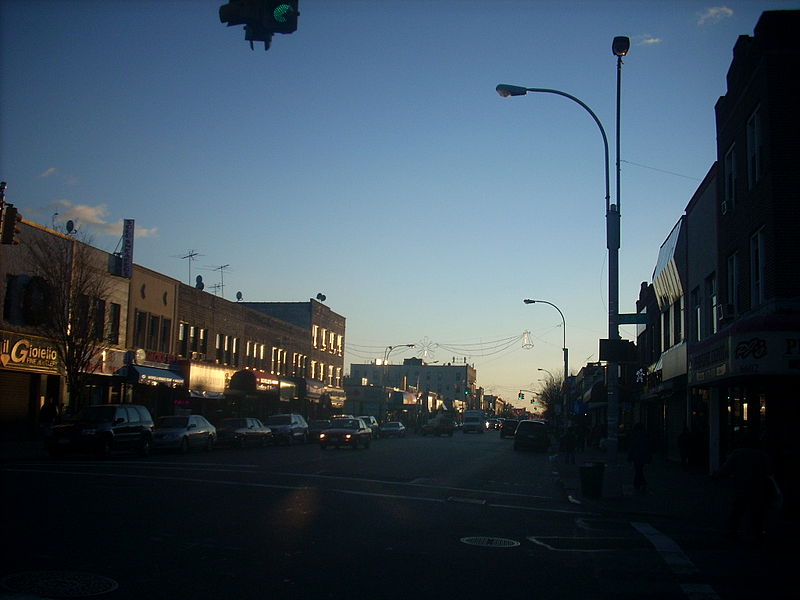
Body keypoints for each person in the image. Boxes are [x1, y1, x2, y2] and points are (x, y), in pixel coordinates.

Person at [718, 446, 773, 541]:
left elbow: (726, 469)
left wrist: (717, 476)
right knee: (757, 511)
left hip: (743, 486)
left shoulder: (737, 454)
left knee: (738, 510)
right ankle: (757, 532)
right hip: (759, 487)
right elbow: (770, 470)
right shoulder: (762, 455)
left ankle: (732, 532)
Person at [627, 423, 652, 493]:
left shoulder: (634, 436)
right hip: (643, 455)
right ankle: (639, 483)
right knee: (639, 469)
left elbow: (632, 447)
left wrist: (630, 456)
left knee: (638, 470)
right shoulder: (645, 436)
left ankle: (640, 483)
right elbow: (648, 447)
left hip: (636, 456)